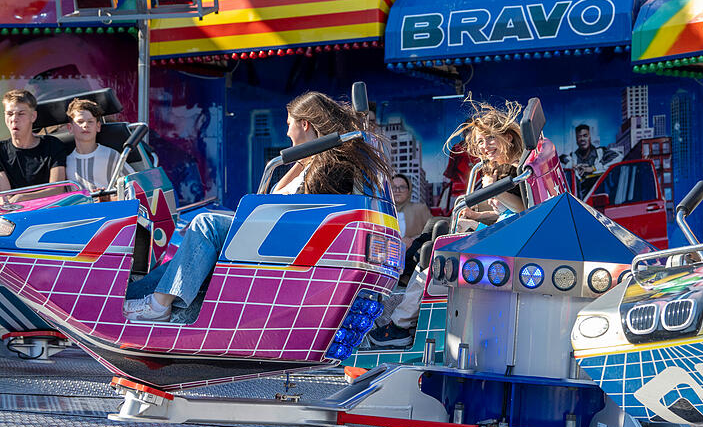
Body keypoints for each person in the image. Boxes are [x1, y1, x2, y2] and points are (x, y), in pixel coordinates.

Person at [123, 91, 388, 322]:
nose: (286, 132)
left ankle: (158, 305)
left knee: (207, 223)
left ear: (304, 124)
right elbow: (272, 199)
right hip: (273, 233)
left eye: (289, 125)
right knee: (194, 239)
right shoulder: (308, 163)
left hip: (284, 243)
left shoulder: (329, 168)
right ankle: (129, 298)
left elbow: (295, 213)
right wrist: (301, 158)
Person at [369, 99, 528, 348]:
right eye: (481, 141)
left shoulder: (519, 169)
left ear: (508, 137)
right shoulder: (500, 168)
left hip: (508, 242)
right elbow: (505, 215)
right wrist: (477, 217)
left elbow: (525, 211)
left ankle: (400, 324)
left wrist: (497, 192)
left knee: (432, 251)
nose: (485, 147)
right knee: (437, 227)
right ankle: (404, 289)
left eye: (490, 139)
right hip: (500, 231)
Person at [0, 89, 68, 197]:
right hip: (14, 212)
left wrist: (23, 198)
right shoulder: (1, 151)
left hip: (49, 209)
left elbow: (56, 189)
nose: (14, 119)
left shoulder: (53, 145)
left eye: (21, 114)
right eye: (9, 113)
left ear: (33, 116)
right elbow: (5, 195)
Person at [65, 98, 133, 191]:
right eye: (80, 122)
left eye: (90, 121)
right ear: (70, 127)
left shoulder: (111, 155)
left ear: (98, 126)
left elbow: (133, 183)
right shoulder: (66, 162)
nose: (85, 125)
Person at [561, 124, 621, 196]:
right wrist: (573, 166)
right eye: (579, 137)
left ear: (590, 137)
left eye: (585, 136)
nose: (582, 139)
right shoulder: (573, 157)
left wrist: (593, 168)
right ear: (576, 140)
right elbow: (561, 159)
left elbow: (619, 157)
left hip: (600, 198)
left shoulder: (600, 152)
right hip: (580, 200)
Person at [392, 174, 431, 250]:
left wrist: (413, 240)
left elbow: (431, 232)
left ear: (409, 190)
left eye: (402, 187)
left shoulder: (420, 209)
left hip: (413, 257)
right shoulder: (382, 210)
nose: (397, 191)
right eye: (393, 187)